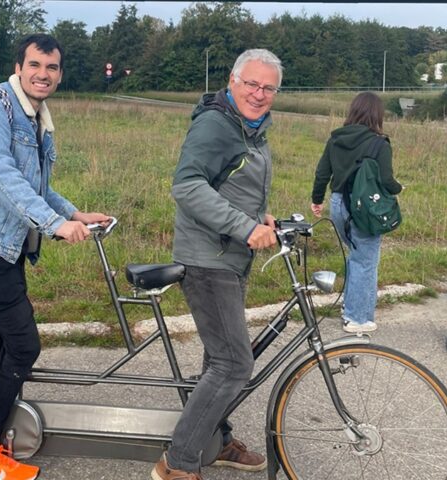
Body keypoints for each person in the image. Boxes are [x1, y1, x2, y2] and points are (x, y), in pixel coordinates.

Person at [0, 33, 111, 480]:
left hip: (4, 251)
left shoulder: (34, 114)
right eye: (36, 65)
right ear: (19, 67)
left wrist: (74, 213)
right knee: (24, 348)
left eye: (52, 68)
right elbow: (0, 175)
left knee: (4, 351)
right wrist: (54, 225)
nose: (44, 74)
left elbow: (34, 184)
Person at [152, 49, 283, 480]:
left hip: (229, 256)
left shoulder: (251, 128)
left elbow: (230, 182)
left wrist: (260, 218)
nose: (259, 94)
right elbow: (187, 186)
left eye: (268, 88)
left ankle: (218, 440)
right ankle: (178, 463)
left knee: (218, 360)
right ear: (232, 81)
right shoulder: (215, 124)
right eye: (252, 84)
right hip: (207, 258)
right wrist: (245, 228)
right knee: (234, 364)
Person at [310, 92, 402, 333]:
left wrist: (316, 200)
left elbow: (322, 173)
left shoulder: (336, 139)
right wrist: (399, 188)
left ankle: (350, 307)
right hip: (363, 209)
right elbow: (385, 179)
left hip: (338, 204)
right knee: (365, 261)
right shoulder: (379, 143)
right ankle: (357, 318)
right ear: (377, 115)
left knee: (356, 256)